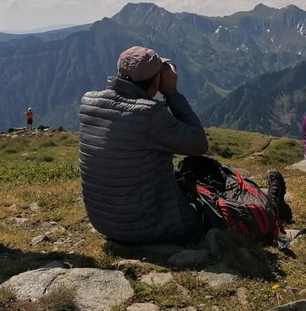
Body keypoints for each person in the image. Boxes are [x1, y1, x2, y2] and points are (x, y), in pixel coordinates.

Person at [79, 45, 290, 245]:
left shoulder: (89, 102)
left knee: (192, 170)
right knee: (230, 212)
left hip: (104, 223)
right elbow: (198, 143)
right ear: (155, 82)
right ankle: (272, 208)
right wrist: (171, 93)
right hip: (150, 228)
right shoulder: (149, 113)